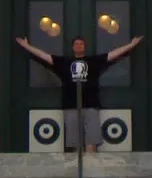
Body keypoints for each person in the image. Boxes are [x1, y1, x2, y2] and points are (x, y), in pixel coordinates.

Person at [15, 28, 144, 152]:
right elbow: (44, 56)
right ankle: (79, 171)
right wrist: (27, 46)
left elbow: (113, 54)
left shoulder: (93, 62)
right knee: (75, 143)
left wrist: (131, 45)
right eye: (76, 44)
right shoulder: (64, 63)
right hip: (71, 106)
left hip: (91, 105)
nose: (79, 46)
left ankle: (90, 170)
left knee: (91, 140)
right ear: (73, 47)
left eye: (81, 44)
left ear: (84, 47)